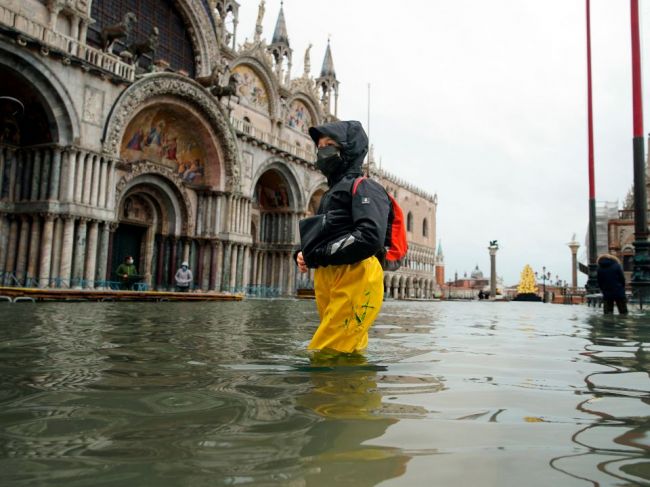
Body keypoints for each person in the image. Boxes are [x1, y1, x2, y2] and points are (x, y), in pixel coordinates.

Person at [296, 120, 391, 355]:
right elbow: (327, 232)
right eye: (319, 146)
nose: (322, 151)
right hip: (331, 276)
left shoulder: (366, 187)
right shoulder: (330, 194)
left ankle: (334, 391)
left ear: (348, 149)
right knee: (346, 348)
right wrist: (303, 253)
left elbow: (369, 236)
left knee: (328, 351)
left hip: (356, 274)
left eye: (330, 144)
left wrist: (318, 255)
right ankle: (353, 390)